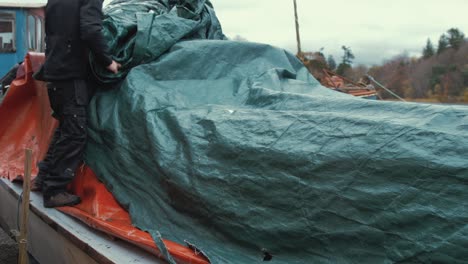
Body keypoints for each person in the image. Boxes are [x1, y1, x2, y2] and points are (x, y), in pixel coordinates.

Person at [32, 0, 120, 208]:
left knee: (65, 128)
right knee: (74, 133)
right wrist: (108, 61)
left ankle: (43, 178)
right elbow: (90, 30)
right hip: (71, 75)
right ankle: (55, 190)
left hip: (54, 73)